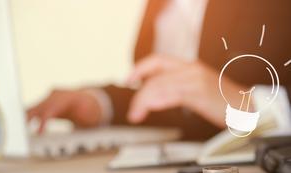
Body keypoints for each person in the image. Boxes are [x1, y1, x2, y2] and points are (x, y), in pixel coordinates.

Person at [28, 0, 291, 140]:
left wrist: (257, 108)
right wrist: (98, 103)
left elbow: (204, 93)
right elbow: (174, 102)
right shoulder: (158, 7)